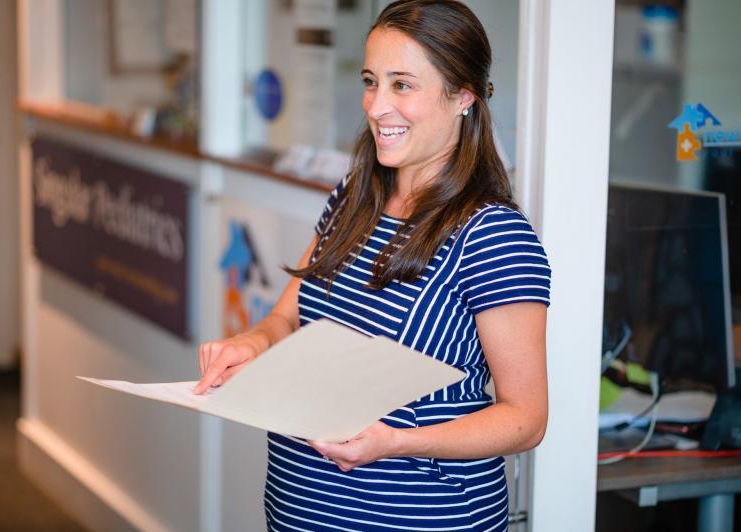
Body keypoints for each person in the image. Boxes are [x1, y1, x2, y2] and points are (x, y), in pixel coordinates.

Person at [194, 0, 551, 529]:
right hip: (298, 509)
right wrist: (251, 342)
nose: (377, 106)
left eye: (402, 85)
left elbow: (525, 419)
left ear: (464, 96)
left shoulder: (492, 234)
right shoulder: (355, 195)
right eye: (370, 82)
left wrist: (396, 441)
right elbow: (286, 317)